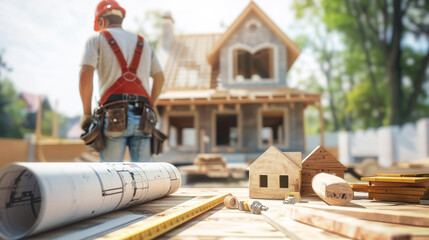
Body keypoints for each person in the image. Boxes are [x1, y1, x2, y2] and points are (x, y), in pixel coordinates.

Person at [79, 0, 165, 162]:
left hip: (113, 116)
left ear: (101, 21)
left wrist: (86, 113)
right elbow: (159, 78)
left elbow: (85, 75)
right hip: (144, 117)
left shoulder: (96, 39)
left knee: (111, 177)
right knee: (145, 177)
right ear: (121, 18)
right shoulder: (144, 43)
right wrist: (151, 105)